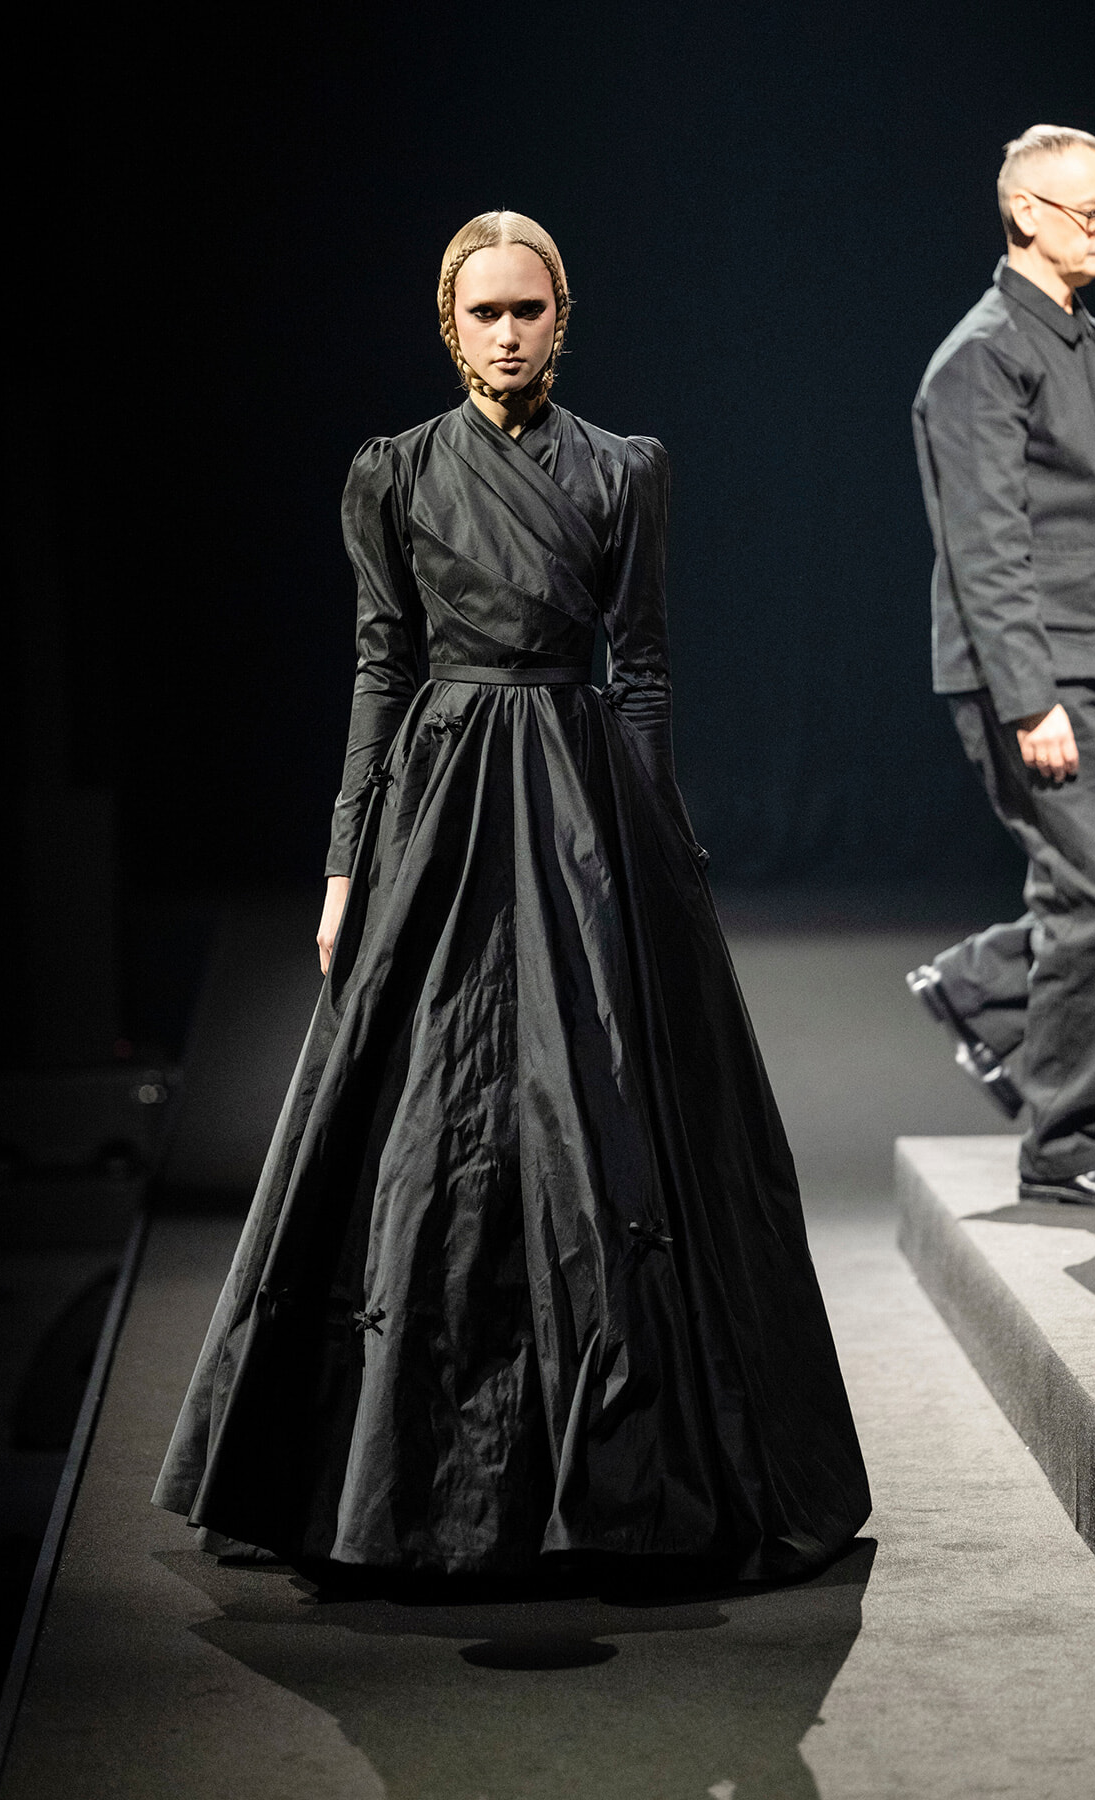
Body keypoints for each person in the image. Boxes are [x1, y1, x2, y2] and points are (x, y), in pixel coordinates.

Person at [153, 211, 870, 1579]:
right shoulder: (396, 473)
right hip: (440, 802)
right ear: (448, 325)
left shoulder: (623, 469)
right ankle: (392, 1475)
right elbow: (381, 665)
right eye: (482, 312)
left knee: (593, 1106)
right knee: (426, 1105)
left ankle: (617, 1477)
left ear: (563, 318)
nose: (506, 333)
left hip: (580, 805)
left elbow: (641, 669)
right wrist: (345, 859)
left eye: (527, 310)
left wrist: (663, 851)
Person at [909, 126, 1095, 1208]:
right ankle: (1063, 1143)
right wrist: (1032, 700)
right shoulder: (981, 356)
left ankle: (982, 990)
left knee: (1093, 889)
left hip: (1092, 656)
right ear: (1027, 213)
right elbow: (985, 545)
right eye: (1092, 211)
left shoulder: (1084, 344)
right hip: (1034, 673)